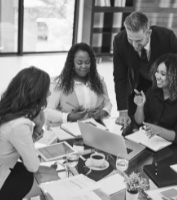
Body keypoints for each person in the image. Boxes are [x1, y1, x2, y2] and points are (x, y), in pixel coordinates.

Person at [113, 10, 177, 129]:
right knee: (133, 127)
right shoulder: (120, 41)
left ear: (148, 33)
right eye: (130, 40)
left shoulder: (166, 37)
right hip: (138, 89)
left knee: (160, 127)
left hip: (162, 87)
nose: (134, 45)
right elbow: (120, 77)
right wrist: (123, 111)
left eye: (138, 41)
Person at [0, 67, 59, 200]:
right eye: (46, 90)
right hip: (3, 179)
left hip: (6, 165)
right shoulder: (19, 124)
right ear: (36, 94)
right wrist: (39, 126)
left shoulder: (7, 109)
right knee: (54, 179)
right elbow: (32, 166)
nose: (49, 94)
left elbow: (20, 148)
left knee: (51, 172)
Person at [134, 54, 177, 163]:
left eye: (163, 74)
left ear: (176, 77)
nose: (157, 76)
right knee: (133, 154)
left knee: (152, 166)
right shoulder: (154, 91)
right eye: (157, 71)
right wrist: (140, 106)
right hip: (159, 140)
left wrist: (158, 130)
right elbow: (140, 121)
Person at [45, 42, 112, 128]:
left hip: (93, 130)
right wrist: (69, 117)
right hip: (67, 131)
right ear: (72, 62)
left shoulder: (99, 80)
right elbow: (47, 111)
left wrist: (103, 112)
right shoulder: (59, 83)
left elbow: (107, 103)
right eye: (79, 63)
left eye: (87, 62)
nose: (84, 66)